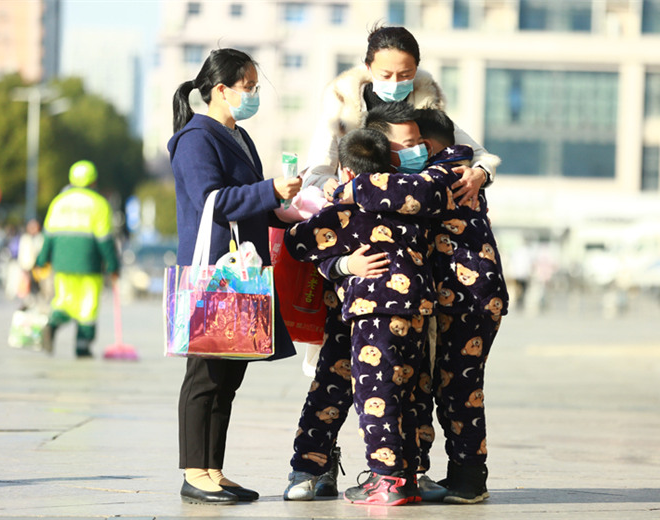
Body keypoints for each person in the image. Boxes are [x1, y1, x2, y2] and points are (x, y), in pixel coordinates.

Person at [340, 105, 508, 503]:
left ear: (429, 147)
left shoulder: (448, 172)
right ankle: (450, 474)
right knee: (446, 387)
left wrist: (351, 188)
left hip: (469, 300)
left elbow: (410, 194)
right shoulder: (445, 170)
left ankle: (469, 478)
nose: (403, 154)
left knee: (460, 389)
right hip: (455, 298)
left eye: (412, 144)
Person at [168, 48, 302, 506]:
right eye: (249, 87)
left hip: (243, 269)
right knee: (204, 375)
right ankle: (193, 472)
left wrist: (288, 204)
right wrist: (269, 190)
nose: (254, 95)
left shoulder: (238, 136)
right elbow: (213, 201)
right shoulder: (195, 138)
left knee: (228, 377)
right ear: (221, 90)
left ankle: (213, 469)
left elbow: (250, 201)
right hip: (214, 270)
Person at [285, 127, 438, 506]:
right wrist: (343, 265)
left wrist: (338, 264)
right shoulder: (411, 204)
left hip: (371, 316)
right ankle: (408, 474)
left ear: (348, 172)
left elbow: (297, 241)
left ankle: (384, 479)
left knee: (375, 394)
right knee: (407, 393)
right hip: (415, 313)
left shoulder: (344, 213)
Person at [302, 24, 497, 211]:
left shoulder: (426, 109)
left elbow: (480, 156)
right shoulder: (342, 112)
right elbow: (315, 172)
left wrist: (479, 174)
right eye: (386, 75)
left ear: (416, 69)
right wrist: (327, 184)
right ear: (368, 67)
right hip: (356, 215)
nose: (395, 83)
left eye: (405, 74)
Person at [35, 160, 120, 358]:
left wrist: (41, 260)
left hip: (62, 263)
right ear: (94, 180)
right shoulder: (99, 203)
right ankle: (82, 347)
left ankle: (52, 324)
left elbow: (48, 235)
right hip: (89, 264)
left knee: (63, 300)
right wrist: (113, 266)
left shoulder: (59, 202)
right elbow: (105, 240)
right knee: (87, 307)